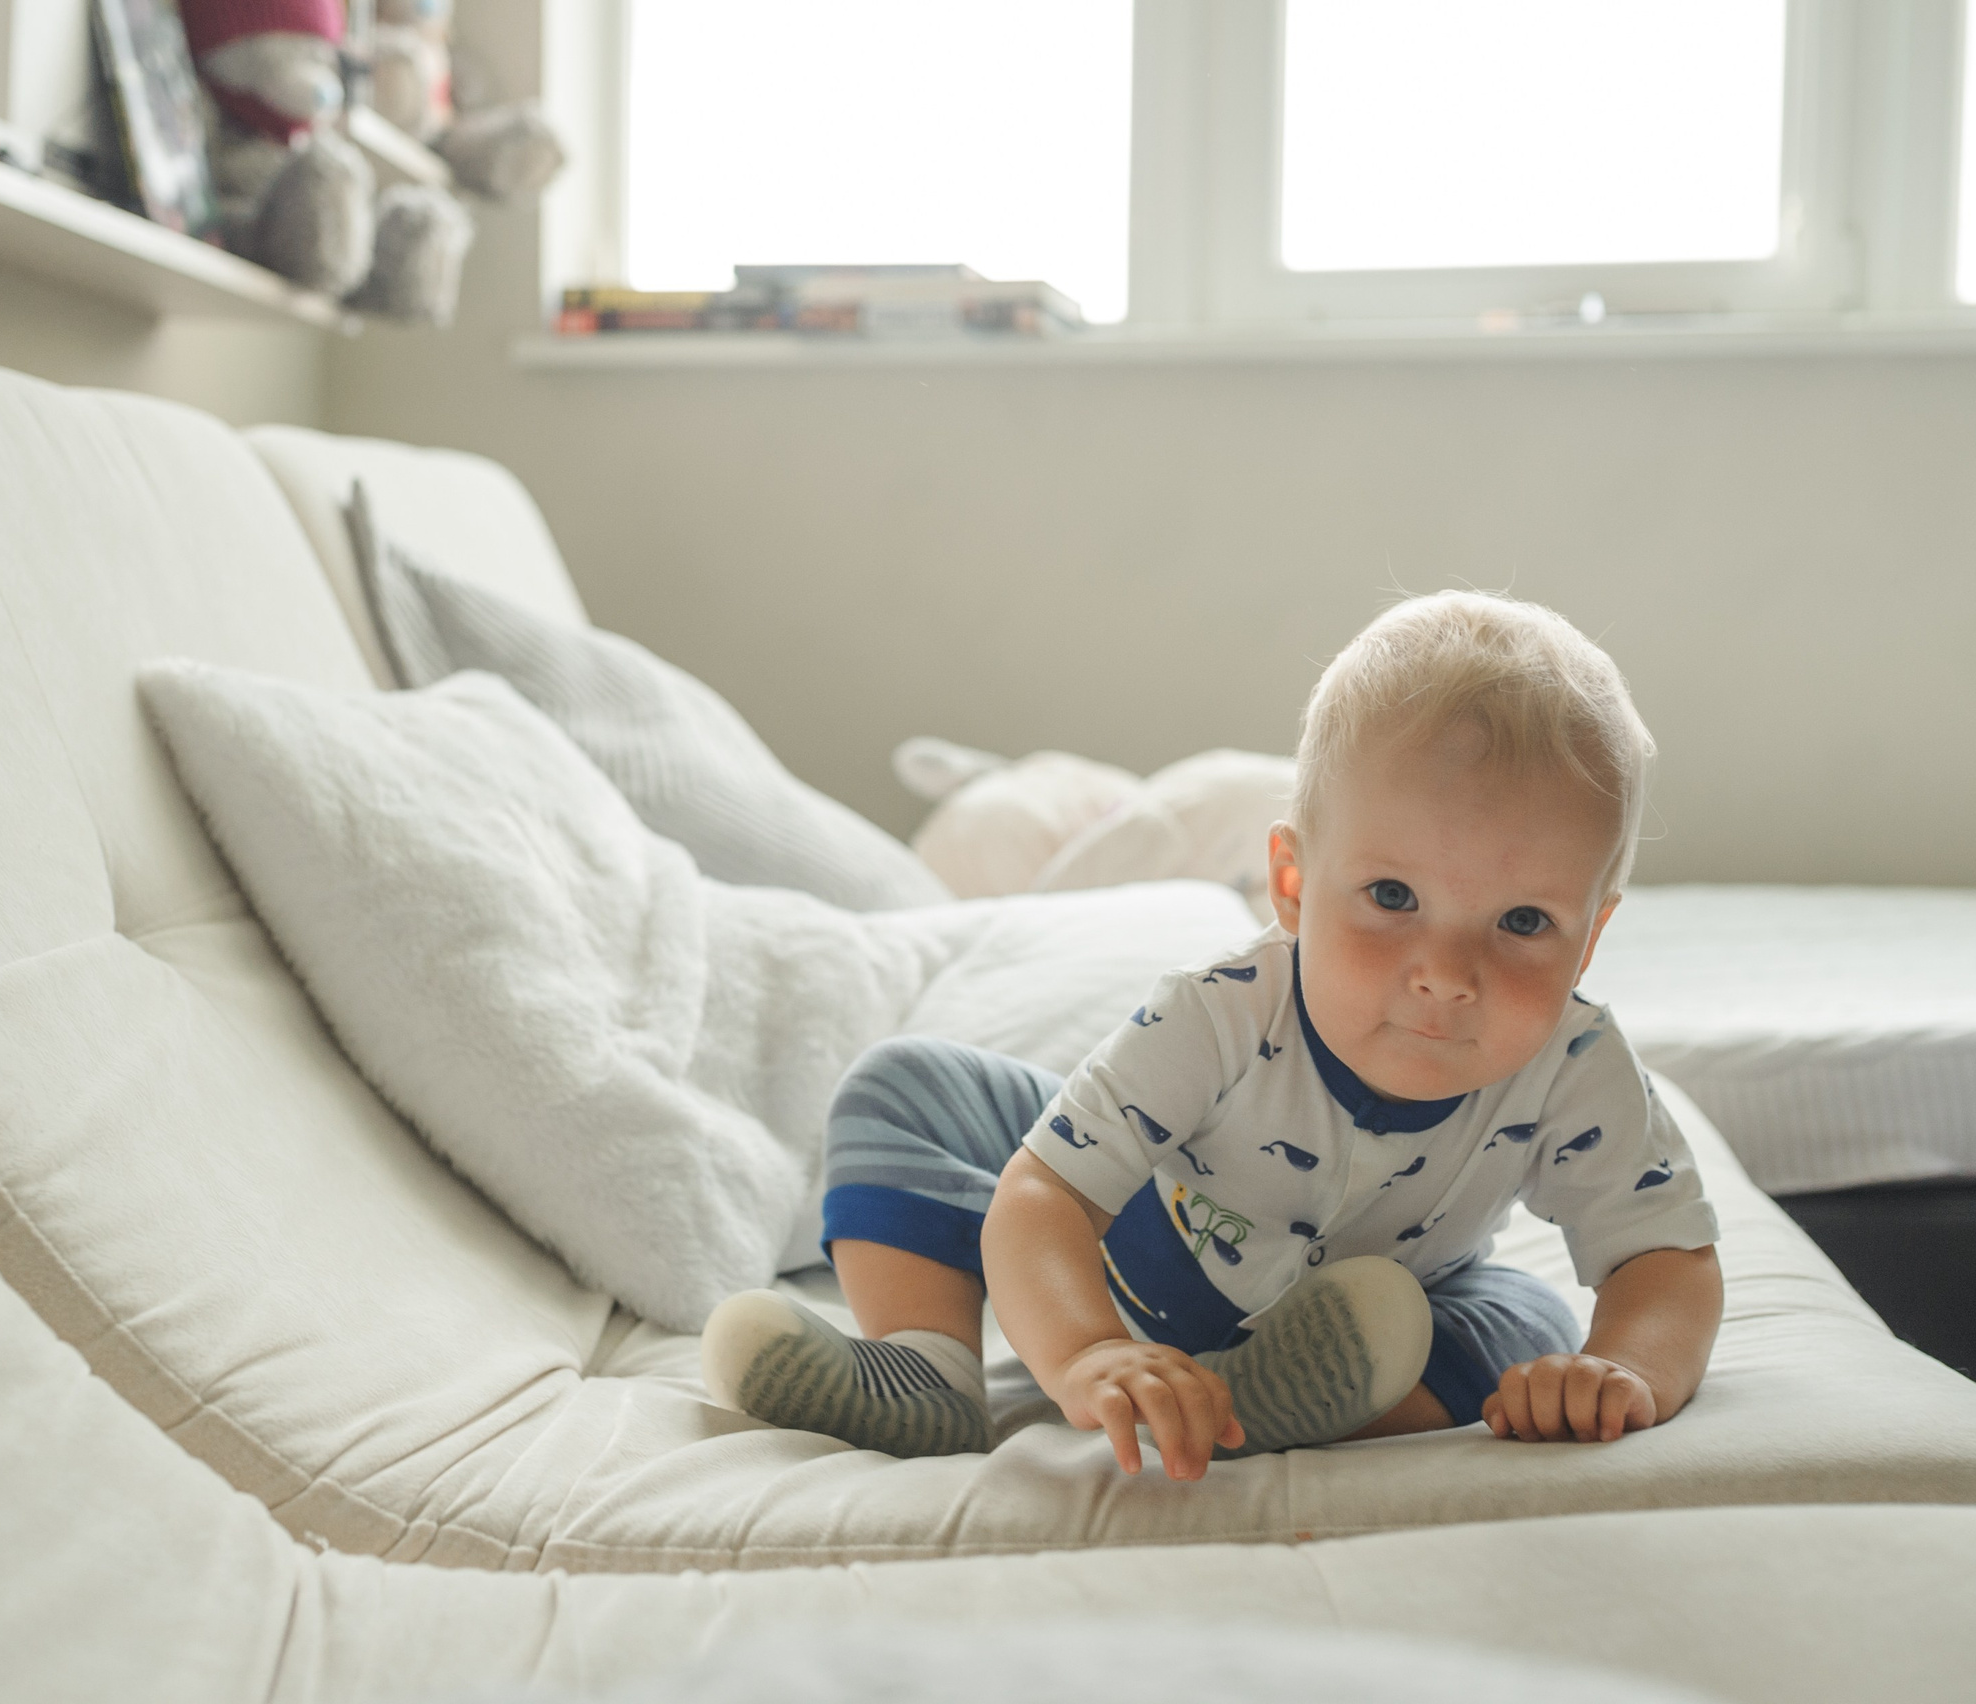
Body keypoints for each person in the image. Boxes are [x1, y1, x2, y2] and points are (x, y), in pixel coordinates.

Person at [698, 590, 1724, 1479]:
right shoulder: (1222, 1010)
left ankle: (1257, 1402)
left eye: (1523, 923)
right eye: (1391, 896)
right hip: (1139, 1240)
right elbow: (1045, 1194)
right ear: (1292, 883)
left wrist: (1623, 1369)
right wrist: (1084, 1351)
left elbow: (1666, 1258)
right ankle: (927, 1370)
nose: (1447, 975)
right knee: (905, 1086)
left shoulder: (1575, 1068)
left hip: (1375, 1304)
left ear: (1590, 937)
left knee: (1523, 1324)